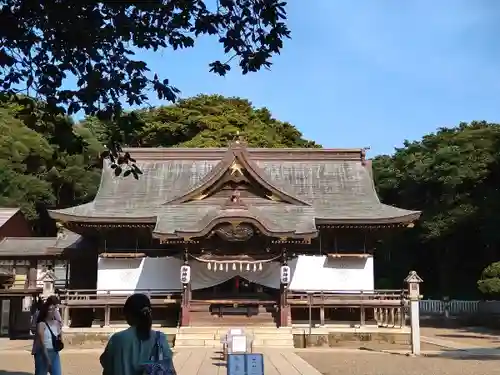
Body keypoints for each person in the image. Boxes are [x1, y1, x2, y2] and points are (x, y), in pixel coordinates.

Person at [100, 293, 174, 375]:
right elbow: (169, 369)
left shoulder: (117, 339)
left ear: (128, 315)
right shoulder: (160, 339)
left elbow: (106, 365)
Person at [32, 299, 63, 375]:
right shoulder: (41, 324)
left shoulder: (56, 324)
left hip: (54, 353)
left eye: (53, 309)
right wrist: (47, 358)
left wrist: (60, 339)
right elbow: (42, 344)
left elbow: (60, 338)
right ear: (45, 311)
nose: (52, 312)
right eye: (50, 310)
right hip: (42, 353)